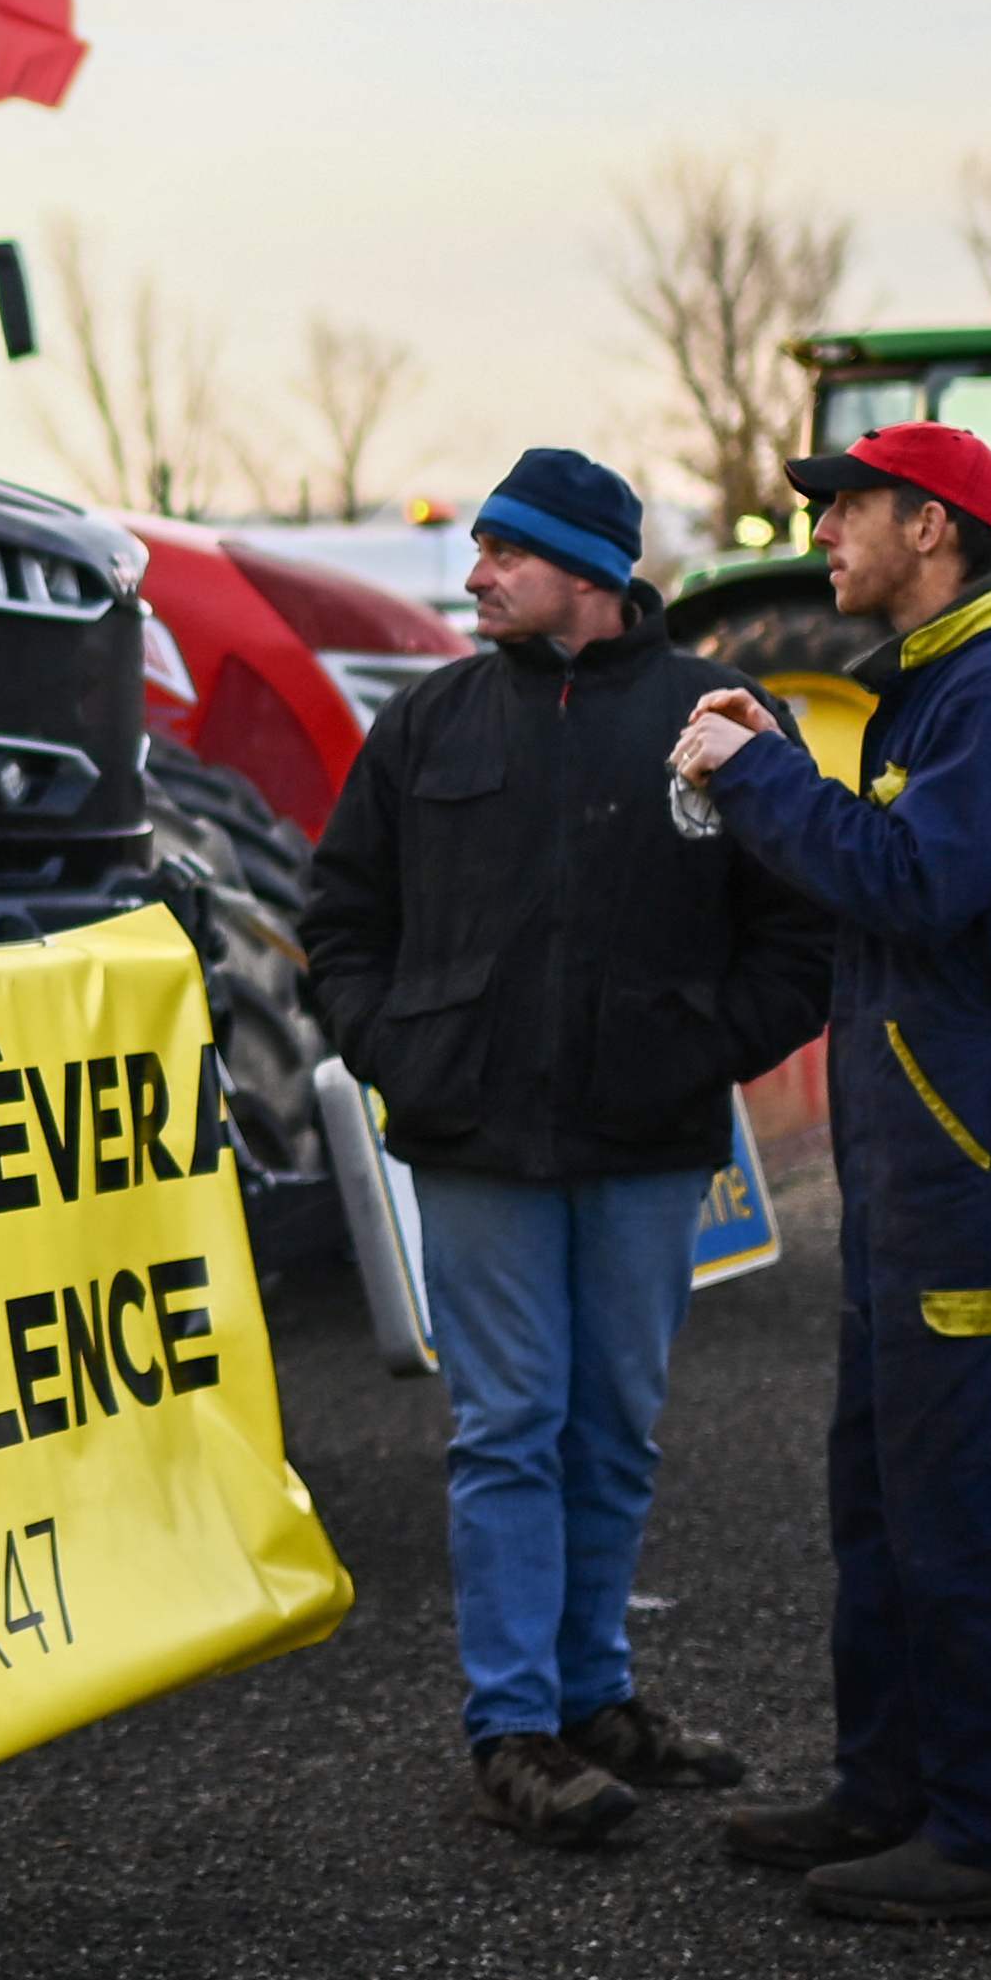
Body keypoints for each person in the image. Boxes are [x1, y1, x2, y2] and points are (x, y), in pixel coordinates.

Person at [301, 447, 835, 1849]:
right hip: (476, 1142)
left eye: (507, 552)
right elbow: (341, 919)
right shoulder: (430, 722)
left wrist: (699, 1046)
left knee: (612, 1428)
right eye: (481, 548)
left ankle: (595, 1699)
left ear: (591, 572)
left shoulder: (716, 717)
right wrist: (400, 1049)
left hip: (647, 1140)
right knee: (508, 1428)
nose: (476, 573)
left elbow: (799, 929)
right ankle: (514, 1730)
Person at [667, 418, 991, 1925]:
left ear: (932, 527)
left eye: (846, 507)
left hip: (973, 1139)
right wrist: (790, 765)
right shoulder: (947, 682)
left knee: (972, 1489)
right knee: (888, 1481)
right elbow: (900, 858)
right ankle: (893, 1788)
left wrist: (758, 781)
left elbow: (917, 883)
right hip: (925, 1141)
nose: (822, 534)